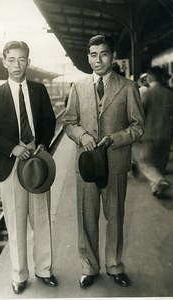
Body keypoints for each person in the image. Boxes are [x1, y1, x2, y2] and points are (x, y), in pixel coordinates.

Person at [63, 35, 144, 288]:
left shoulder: (128, 87)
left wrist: (115, 138)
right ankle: (89, 268)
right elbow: (69, 123)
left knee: (115, 218)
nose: (98, 60)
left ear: (113, 56)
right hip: (87, 165)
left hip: (116, 164)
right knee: (87, 218)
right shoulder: (78, 87)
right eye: (93, 54)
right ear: (88, 57)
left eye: (104, 54)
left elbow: (138, 126)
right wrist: (82, 135)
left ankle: (115, 266)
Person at [0, 41, 57, 294]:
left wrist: (43, 145)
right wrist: (13, 147)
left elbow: (49, 120)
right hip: (10, 165)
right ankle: (19, 275)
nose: (17, 65)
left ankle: (44, 270)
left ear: (28, 62)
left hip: (36, 162)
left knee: (41, 220)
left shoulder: (39, 90)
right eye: (11, 60)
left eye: (21, 59)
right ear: (4, 62)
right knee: (15, 223)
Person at [132, 66, 173, 197]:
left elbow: (140, 114)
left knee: (145, 162)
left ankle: (159, 180)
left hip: (150, 135)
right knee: (160, 164)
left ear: (149, 78)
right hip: (166, 136)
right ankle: (157, 189)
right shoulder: (170, 93)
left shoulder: (147, 93)